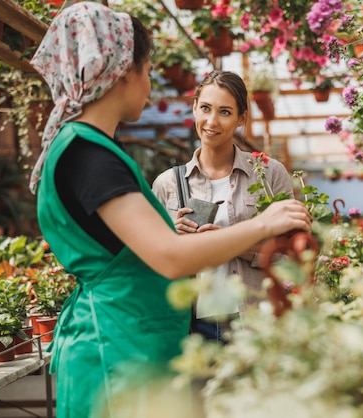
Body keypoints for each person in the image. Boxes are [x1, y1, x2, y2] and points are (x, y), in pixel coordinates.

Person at [28, 3, 311, 418]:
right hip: (118, 351)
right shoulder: (90, 156)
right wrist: (263, 224)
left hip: (128, 342)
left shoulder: (88, 149)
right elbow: (168, 256)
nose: (150, 83)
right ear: (124, 70)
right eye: (147, 69)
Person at [152, 70, 294, 344]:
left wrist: (229, 244)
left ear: (241, 118)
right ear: (194, 107)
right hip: (193, 328)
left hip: (256, 320)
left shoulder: (268, 174)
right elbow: (150, 262)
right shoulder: (167, 184)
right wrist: (171, 238)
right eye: (205, 108)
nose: (212, 121)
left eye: (225, 112)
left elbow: (289, 255)